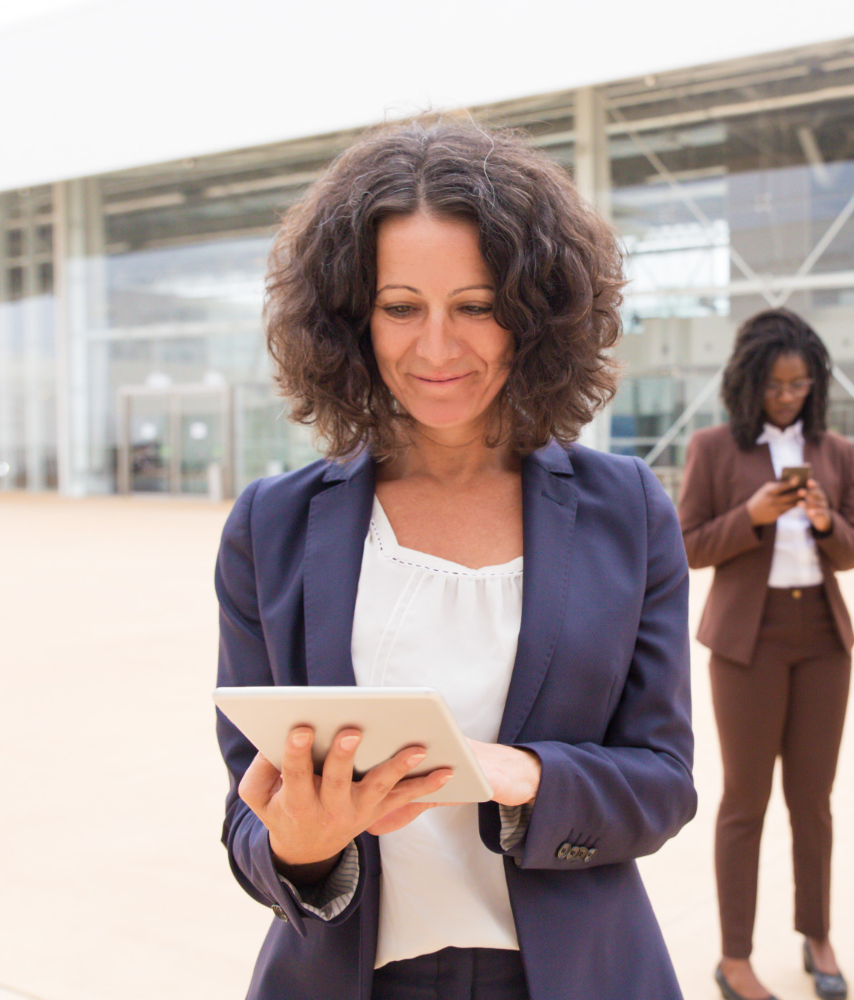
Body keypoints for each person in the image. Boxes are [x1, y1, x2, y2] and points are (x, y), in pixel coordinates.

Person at [213, 119, 697, 1000]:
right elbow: (248, 815)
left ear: (535, 313)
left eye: (475, 306)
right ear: (351, 318)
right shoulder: (270, 527)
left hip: (573, 977)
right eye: (401, 308)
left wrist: (528, 778)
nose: (436, 347)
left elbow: (663, 783)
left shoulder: (627, 510)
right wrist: (301, 845)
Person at [676, 309, 854, 1000]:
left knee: (813, 802)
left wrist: (824, 520)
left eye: (799, 384)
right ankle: (734, 957)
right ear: (749, 381)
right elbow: (687, 545)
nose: (787, 397)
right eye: (775, 385)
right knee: (745, 801)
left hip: (822, 641)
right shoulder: (713, 448)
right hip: (746, 644)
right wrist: (752, 515)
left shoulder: (835, 451)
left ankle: (817, 935)